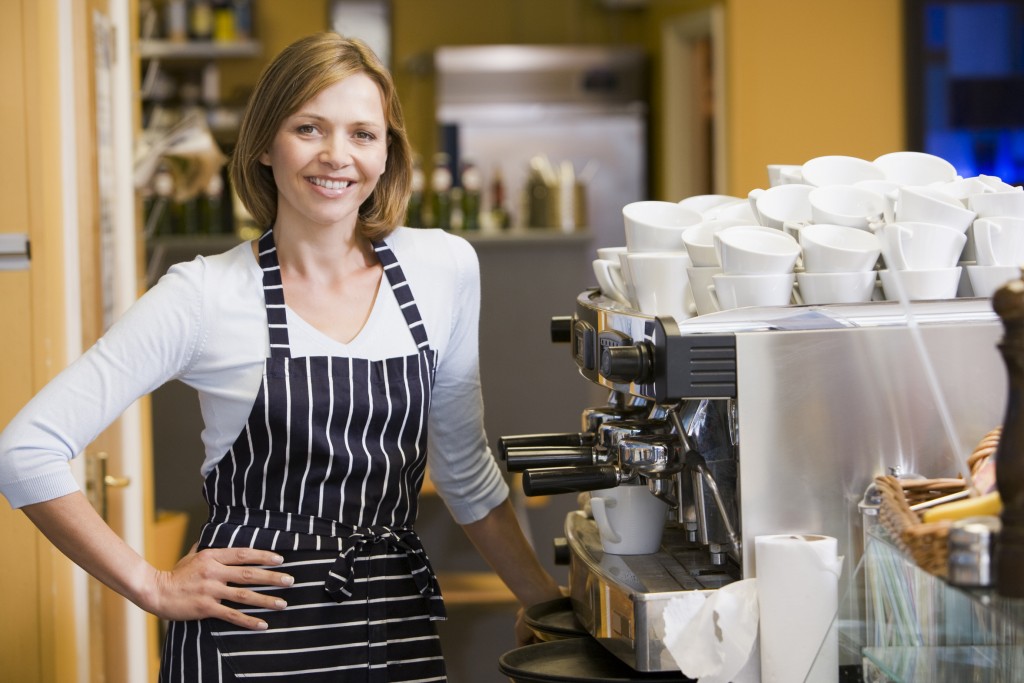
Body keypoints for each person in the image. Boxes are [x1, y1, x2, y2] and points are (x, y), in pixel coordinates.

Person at [0, 32, 562, 682]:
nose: (337, 155)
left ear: (387, 153)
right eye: (309, 128)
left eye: (362, 133)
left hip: (395, 628)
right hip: (247, 638)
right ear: (265, 144)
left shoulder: (443, 268)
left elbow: (464, 469)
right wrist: (150, 584)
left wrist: (544, 601)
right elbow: (26, 449)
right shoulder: (205, 292)